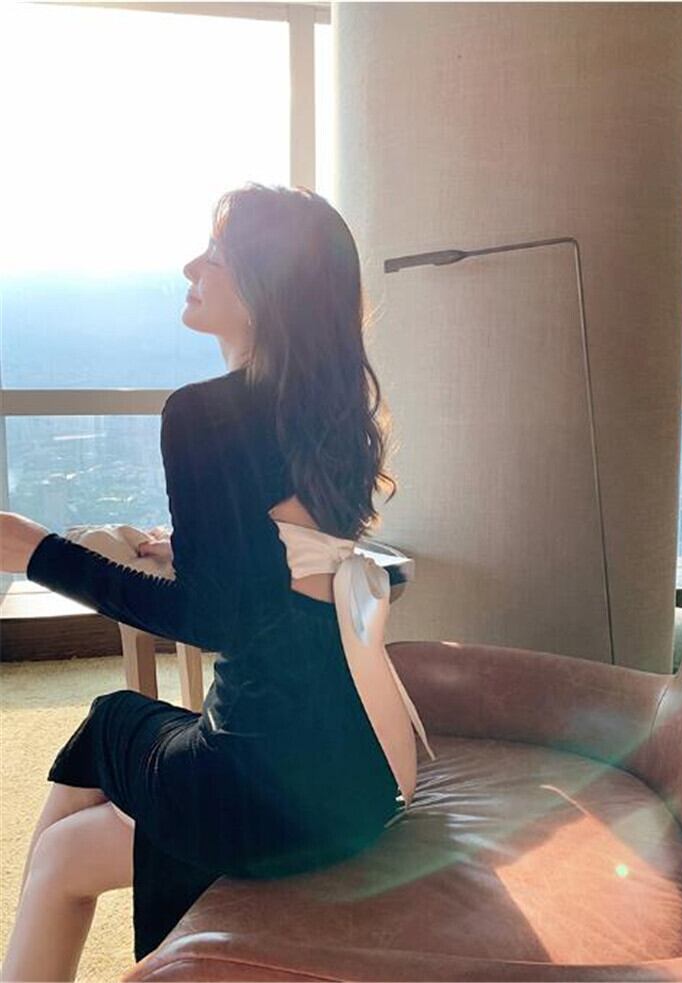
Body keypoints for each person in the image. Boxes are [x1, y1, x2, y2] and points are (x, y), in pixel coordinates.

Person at [0, 182, 435, 980]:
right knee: (71, 836)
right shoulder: (333, 418)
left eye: (216, 254)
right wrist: (195, 549)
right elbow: (281, 568)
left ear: (268, 284)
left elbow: (210, 620)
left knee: (105, 729)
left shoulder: (203, 414)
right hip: (362, 779)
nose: (190, 267)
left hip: (266, 787)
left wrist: (34, 550)